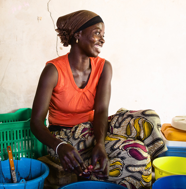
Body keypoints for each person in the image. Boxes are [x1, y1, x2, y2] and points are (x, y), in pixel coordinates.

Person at [30, 10, 167, 189]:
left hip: (93, 128)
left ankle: (160, 173)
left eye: (103, 35)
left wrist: (100, 143)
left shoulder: (104, 67)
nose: (102, 39)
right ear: (78, 34)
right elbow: (36, 122)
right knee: (136, 151)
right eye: (97, 33)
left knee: (149, 118)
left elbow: (101, 110)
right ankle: (127, 168)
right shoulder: (53, 71)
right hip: (64, 137)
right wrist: (59, 146)